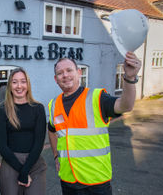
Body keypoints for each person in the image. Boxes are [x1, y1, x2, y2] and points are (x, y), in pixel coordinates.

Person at [48, 52, 141, 195]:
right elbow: (52, 130)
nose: (65, 75)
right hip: (68, 180)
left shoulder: (97, 97)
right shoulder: (54, 105)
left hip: (96, 181)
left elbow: (125, 105)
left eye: (69, 70)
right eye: (60, 73)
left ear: (79, 73)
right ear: (56, 79)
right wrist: (56, 156)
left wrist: (129, 78)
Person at [0, 67, 47, 195]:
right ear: (9, 86)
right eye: (14, 82)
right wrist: (21, 170)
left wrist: (26, 170)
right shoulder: (2, 110)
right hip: (10, 163)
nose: (19, 86)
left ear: (28, 85)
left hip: (34, 163)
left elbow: (39, 142)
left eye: (23, 81)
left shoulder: (38, 108)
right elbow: (1, 145)